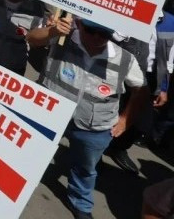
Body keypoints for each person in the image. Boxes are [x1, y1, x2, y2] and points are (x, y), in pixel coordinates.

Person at [30, 15, 149, 219]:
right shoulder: (62, 38)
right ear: (79, 24)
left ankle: (80, 204)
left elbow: (141, 90)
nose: (96, 37)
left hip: (95, 127)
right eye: (91, 30)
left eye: (103, 33)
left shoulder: (125, 59)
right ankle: (20, 182)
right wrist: (51, 31)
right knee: (33, 151)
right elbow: (32, 39)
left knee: (85, 169)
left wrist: (125, 120)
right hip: (51, 116)